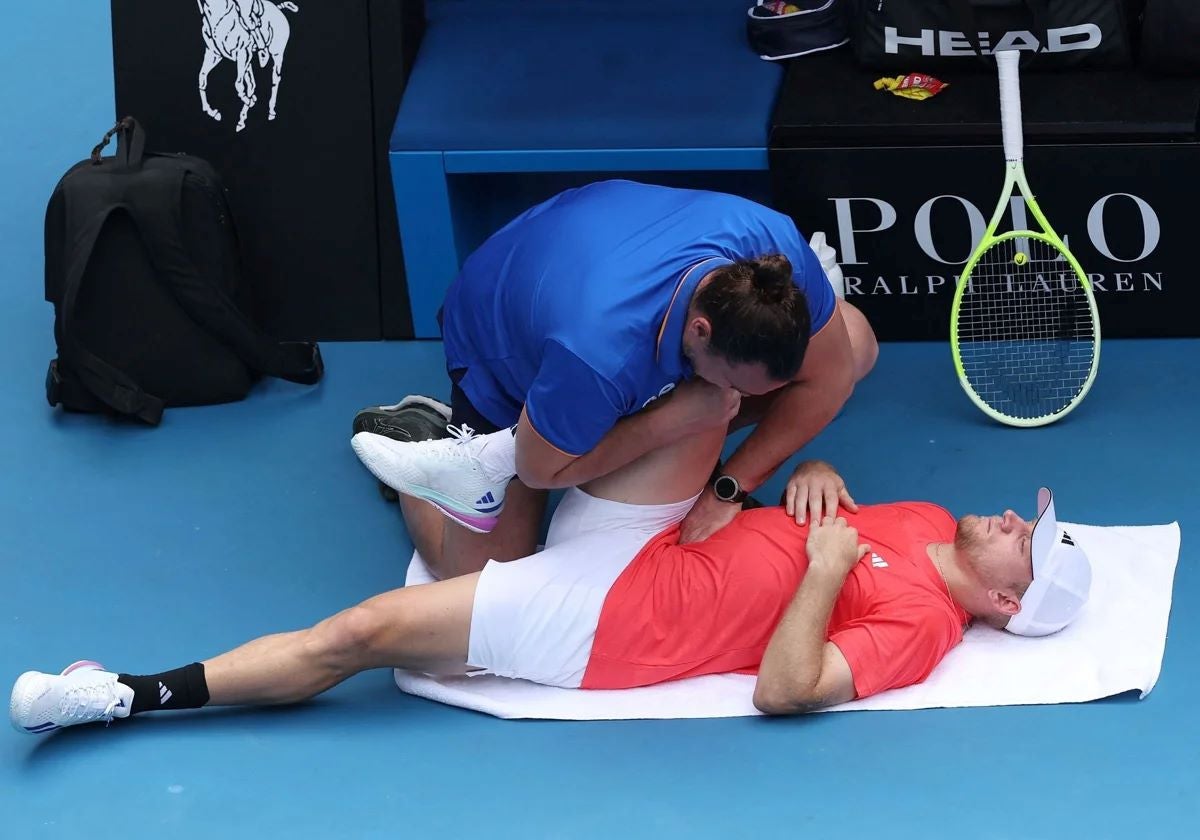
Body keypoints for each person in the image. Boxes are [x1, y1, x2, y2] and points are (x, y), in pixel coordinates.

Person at [10, 423, 1090, 735]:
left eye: (1023, 547)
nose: (1009, 519)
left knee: (365, 631)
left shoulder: (922, 629)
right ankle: (456, 459)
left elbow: (787, 689)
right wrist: (807, 471)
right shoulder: (923, 522)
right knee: (690, 394)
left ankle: (122, 694)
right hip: (670, 532)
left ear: (1003, 603)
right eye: (1027, 521)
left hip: (618, 621)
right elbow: (825, 505)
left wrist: (820, 570)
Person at [352, 179, 879, 579]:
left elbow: (828, 377)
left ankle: (688, 422)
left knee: (853, 345)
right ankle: (425, 446)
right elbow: (540, 470)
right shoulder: (594, 354)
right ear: (700, 331)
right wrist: (668, 423)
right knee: (482, 576)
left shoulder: (773, 251)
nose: (741, 400)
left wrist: (728, 488)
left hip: (589, 251)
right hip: (503, 345)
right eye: (734, 385)